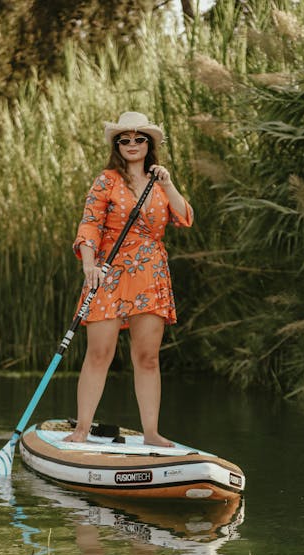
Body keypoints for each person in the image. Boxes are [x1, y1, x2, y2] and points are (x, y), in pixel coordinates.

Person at [65, 111, 193, 446]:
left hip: (150, 272)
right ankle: (81, 429)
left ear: (149, 145)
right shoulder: (105, 180)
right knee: (99, 352)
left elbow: (184, 217)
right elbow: (90, 223)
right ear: (117, 145)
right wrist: (89, 266)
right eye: (126, 140)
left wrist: (167, 183)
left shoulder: (160, 181)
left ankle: (151, 433)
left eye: (139, 139)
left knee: (147, 357)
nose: (133, 144)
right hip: (108, 271)